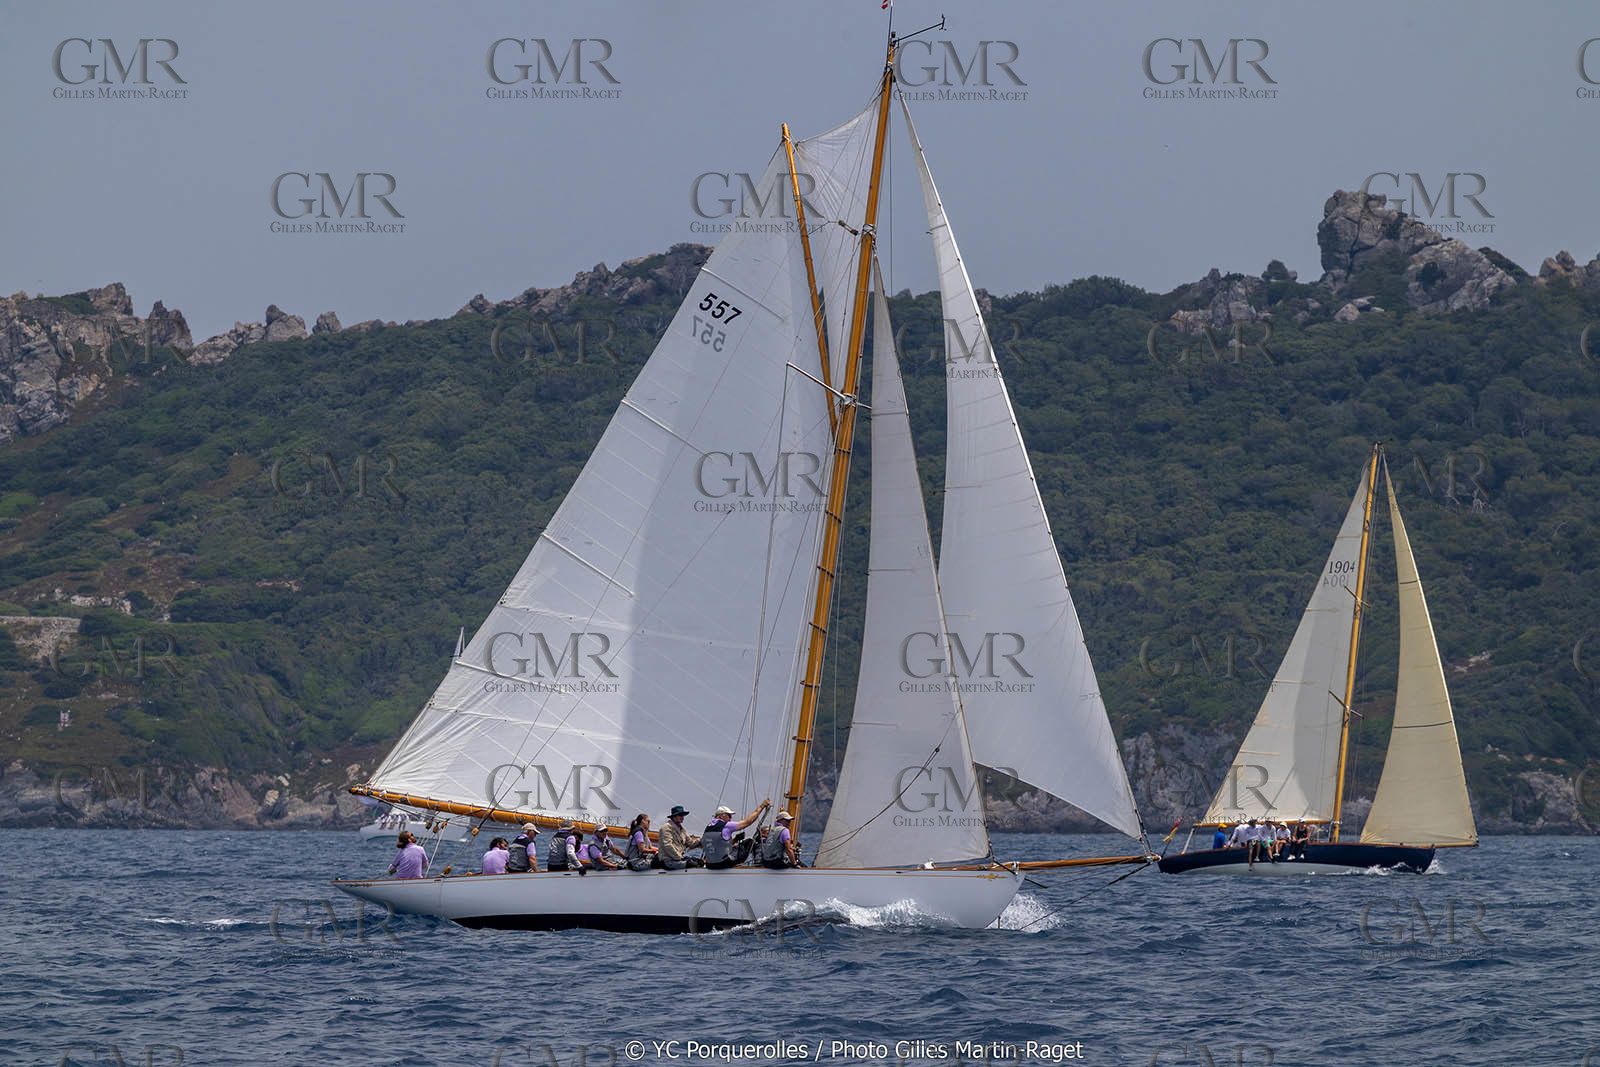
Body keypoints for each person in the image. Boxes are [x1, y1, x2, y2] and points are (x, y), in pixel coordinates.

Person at [702, 799, 770, 869]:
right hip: (724, 863)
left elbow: (718, 844)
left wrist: (735, 839)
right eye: (729, 816)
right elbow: (748, 822)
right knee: (749, 842)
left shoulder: (708, 828)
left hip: (710, 864)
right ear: (722, 815)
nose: (730, 819)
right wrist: (762, 806)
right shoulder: (726, 825)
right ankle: (759, 864)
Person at [658, 805, 703, 870]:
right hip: (669, 861)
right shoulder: (666, 828)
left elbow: (691, 843)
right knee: (692, 864)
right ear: (674, 817)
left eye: (683, 815)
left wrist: (702, 839)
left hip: (678, 859)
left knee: (700, 862)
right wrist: (680, 858)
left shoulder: (681, 829)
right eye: (680, 815)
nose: (682, 817)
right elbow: (667, 845)